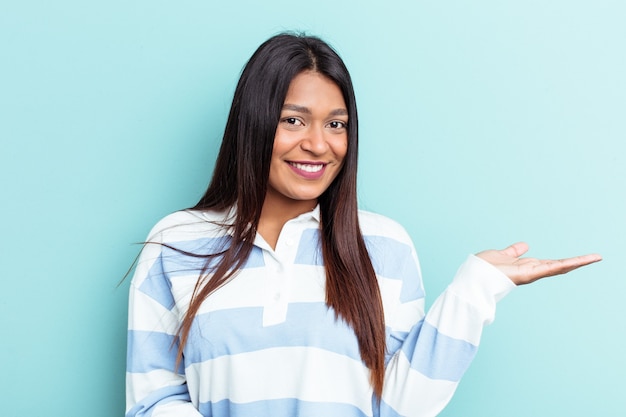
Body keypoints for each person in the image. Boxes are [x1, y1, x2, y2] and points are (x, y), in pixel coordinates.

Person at [125, 33, 601, 417]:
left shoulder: (384, 246)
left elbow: (400, 406)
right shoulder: (176, 243)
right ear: (254, 123)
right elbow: (153, 400)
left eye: (336, 124)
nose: (319, 144)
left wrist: (473, 290)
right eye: (294, 120)